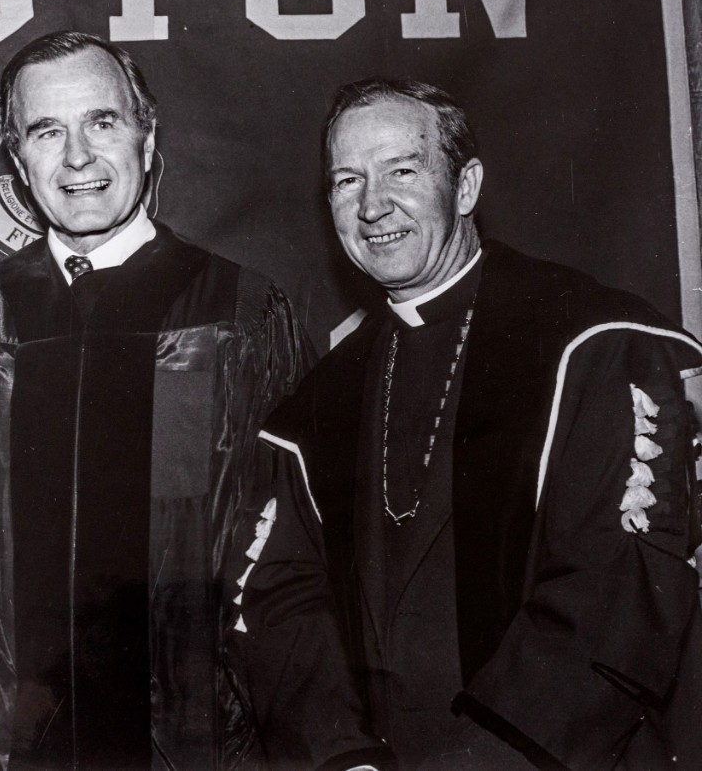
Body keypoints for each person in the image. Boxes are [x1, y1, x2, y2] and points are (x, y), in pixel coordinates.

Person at [230, 78, 702, 770]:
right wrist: (342, 755)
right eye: (347, 180)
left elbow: (617, 592)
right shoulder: (315, 406)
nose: (372, 206)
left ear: (467, 185)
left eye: (402, 170)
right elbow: (282, 605)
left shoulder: (593, 341)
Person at [0, 31, 312, 770]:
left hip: (197, 741)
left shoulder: (240, 313)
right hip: (6, 745)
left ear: (147, 138)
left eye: (102, 122)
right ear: (19, 165)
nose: (78, 157)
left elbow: (292, 554)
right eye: (47, 131)